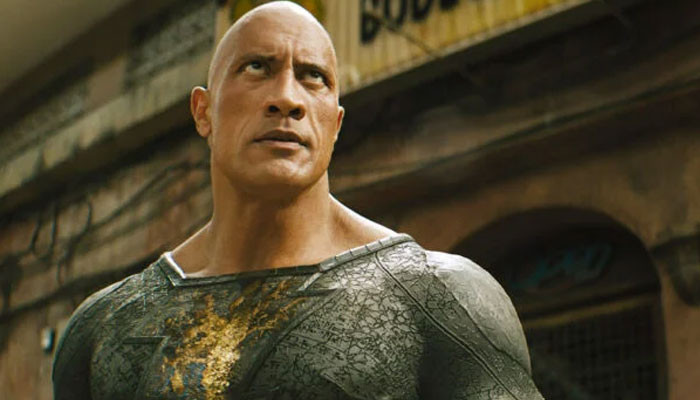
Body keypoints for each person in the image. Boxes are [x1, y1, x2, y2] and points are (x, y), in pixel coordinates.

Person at [52, 2, 543, 399]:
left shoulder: (440, 299)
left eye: (313, 77)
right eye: (256, 68)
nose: (286, 98)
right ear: (203, 111)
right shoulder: (104, 327)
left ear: (336, 123)